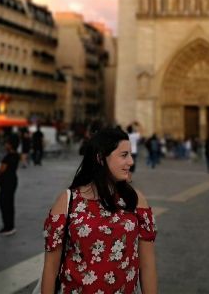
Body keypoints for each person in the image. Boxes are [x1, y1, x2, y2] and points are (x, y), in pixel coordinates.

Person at [39, 126, 157, 294]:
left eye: (130, 154)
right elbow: (51, 267)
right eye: (124, 155)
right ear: (101, 158)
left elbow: (148, 266)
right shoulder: (68, 201)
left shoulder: (135, 201)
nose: (131, 161)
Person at [0, 134, 20, 236]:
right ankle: (10, 225)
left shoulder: (8, 157)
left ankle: (8, 227)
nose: (5, 145)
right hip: (13, 180)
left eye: (7, 143)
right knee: (9, 204)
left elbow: (1, 170)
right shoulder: (16, 155)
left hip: (6, 181)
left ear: (11, 145)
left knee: (4, 204)